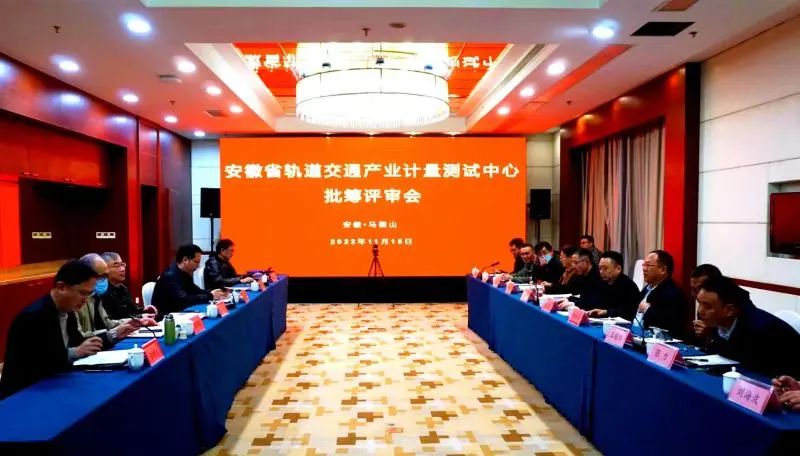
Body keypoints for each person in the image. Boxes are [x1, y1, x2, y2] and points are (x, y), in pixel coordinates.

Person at [0, 261, 109, 398]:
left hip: (56, 383)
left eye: (89, 294)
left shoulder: (68, 311)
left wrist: (111, 336)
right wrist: (75, 352)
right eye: (82, 293)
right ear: (61, 287)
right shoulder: (33, 317)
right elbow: (36, 362)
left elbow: (80, 343)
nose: (85, 300)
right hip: (25, 393)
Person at [695, 276, 800, 378]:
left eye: (707, 306)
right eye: (699, 303)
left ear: (729, 310)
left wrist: (712, 338)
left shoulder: (757, 329)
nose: (700, 311)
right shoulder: (717, 321)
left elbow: (745, 364)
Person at [74, 254, 152, 344]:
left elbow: (107, 323)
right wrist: (113, 333)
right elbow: (78, 338)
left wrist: (133, 321)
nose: (104, 280)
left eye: (106, 276)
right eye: (101, 276)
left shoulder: (95, 295)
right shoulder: (75, 299)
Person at [151, 244, 229, 316]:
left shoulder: (184, 273)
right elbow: (184, 300)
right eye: (196, 262)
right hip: (167, 317)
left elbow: (195, 290)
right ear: (185, 260)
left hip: (180, 312)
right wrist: (210, 296)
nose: (198, 266)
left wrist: (213, 293)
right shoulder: (170, 276)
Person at [635, 250, 690, 338]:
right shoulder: (648, 287)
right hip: (637, 334)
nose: (644, 269)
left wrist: (647, 309)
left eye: (648, 265)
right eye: (644, 265)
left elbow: (671, 323)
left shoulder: (673, 293)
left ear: (663, 270)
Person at [584, 251, 641, 321]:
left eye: (605, 268)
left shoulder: (629, 287)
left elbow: (628, 313)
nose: (601, 272)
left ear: (618, 269)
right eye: (600, 268)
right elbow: (590, 300)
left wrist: (606, 312)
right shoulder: (600, 282)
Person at [99, 251, 156, 319]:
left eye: (122, 264)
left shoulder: (123, 288)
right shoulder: (102, 292)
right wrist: (140, 317)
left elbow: (131, 312)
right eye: (117, 266)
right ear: (105, 269)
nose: (123, 269)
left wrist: (144, 310)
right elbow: (112, 320)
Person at [688, 264, 723, 343]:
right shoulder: (702, 307)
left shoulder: (730, 309)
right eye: (692, 289)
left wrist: (711, 336)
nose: (694, 294)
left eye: (700, 289)